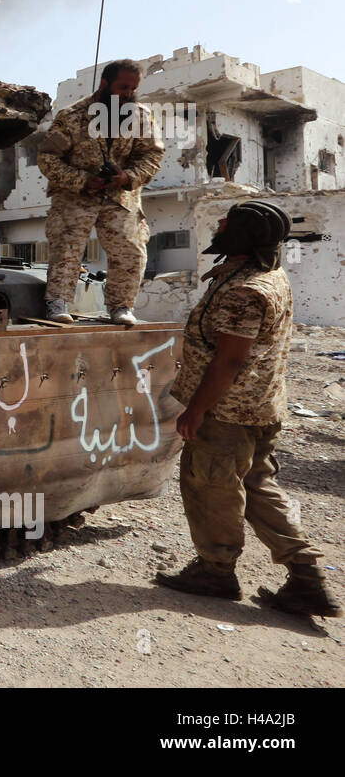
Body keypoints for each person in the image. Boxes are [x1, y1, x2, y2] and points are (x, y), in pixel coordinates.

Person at [156, 200, 340, 616]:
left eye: (227, 223)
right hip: (259, 409)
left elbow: (230, 360)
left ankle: (215, 571)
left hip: (227, 414)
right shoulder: (263, 275)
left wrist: (196, 410)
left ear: (243, 235)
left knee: (212, 487)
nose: (218, 226)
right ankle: (307, 576)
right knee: (256, 487)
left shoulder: (245, 290)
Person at [37, 59, 163, 325]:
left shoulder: (140, 116)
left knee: (131, 251)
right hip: (75, 195)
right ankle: (58, 302)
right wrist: (82, 179)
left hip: (120, 197)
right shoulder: (71, 116)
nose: (128, 93)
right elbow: (48, 158)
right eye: (123, 87)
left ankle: (121, 306)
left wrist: (127, 176)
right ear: (105, 84)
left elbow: (151, 155)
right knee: (67, 247)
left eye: (133, 88)